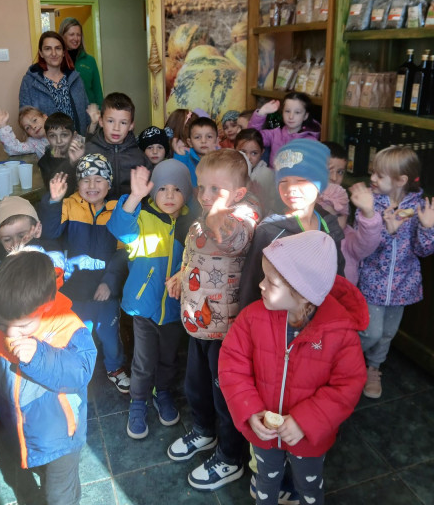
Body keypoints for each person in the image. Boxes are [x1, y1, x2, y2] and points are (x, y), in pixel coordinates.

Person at [218, 232, 369, 505]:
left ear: (303, 293)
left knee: (308, 487)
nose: (261, 285)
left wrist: (305, 421)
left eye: (271, 281)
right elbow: (232, 365)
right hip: (264, 433)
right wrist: (249, 410)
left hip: (308, 438)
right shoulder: (252, 318)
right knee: (265, 481)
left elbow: (348, 385)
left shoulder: (339, 332)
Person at [0, 250, 97, 505]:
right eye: (2, 323)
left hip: (60, 436)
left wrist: (40, 356)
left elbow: (81, 371)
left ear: (46, 305)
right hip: (14, 429)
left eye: (22, 326)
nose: (10, 333)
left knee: (60, 497)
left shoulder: (68, 325)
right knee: (31, 483)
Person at [166, 149, 261, 491]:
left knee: (226, 398)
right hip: (199, 324)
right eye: (201, 187)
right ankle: (204, 431)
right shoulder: (206, 214)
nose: (205, 196)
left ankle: (231, 457)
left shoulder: (242, 217)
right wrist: (181, 274)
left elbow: (235, 240)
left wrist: (220, 217)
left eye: (216, 190)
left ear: (238, 193)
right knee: (197, 386)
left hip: (226, 332)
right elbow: (196, 253)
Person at [107, 160, 193, 439]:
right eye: (163, 188)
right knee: (143, 363)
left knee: (168, 359)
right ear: (153, 191)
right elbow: (120, 229)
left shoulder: (191, 224)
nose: (169, 195)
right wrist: (134, 198)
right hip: (144, 308)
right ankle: (138, 401)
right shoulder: (143, 218)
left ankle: (162, 392)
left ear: (187, 193)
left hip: (175, 308)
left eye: (177, 189)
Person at [37, 153, 130, 394]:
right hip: (74, 289)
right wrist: (54, 200)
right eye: (85, 180)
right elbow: (49, 232)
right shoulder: (69, 205)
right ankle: (76, 370)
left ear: (109, 184)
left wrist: (110, 282)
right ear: (77, 184)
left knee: (109, 334)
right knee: (78, 333)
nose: (92, 185)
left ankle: (115, 368)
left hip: (105, 290)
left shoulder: (117, 211)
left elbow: (123, 253)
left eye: (99, 180)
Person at [357, 146, 434, 399]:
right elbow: (363, 246)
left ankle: (373, 368)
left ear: (401, 180)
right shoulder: (369, 203)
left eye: (379, 175)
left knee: (387, 334)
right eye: (373, 172)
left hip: (403, 285)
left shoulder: (420, 207)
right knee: (371, 332)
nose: (372, 178)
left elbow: (423, 251)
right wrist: (386, 232)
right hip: (372, 281)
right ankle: (347, 360)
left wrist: (427, 228)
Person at [239, 139, 345, 310]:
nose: (291, 189)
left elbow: (338, 278)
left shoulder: (328, 225)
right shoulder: (269, 232)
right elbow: (251, 286)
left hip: (321, 317)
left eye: (301, 180)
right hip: (279, 319)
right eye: (283, 181)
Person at [0, 196, 66, 313]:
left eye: (22, 236)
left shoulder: (51, 257)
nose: (16, 243)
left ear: (37, 230)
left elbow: (56, 288)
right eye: (7, 239)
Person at [19, 31, 90, 135]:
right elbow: (24, 117)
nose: (54, 53)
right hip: (45, 143)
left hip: (76, 141)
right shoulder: (29, 81)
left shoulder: (75, 78)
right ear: (41, 53)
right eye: (48, 49)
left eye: (58, 48)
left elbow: (87, 114)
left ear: (63, 52)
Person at [85, 92, 151, 200]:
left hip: (131, 208)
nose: (116, 128)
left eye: (123, 123)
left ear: (131, 125)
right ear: (101, 122)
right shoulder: (89, 151)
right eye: (110, 121)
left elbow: (148, 191)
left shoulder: (140, 157)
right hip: (96, 208)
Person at [249, 92, 320, 168]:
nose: (291, 116)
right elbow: (251, 136)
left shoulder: (311, 142)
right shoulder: (275, 134)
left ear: (305, 116)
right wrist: (262, 112)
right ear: (282, 112)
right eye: (287, 111)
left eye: (297, 112)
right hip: (272, 175)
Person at [342, 182, 382, 286]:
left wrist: (368, 213)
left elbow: (367, 242)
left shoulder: (348, 238)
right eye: (325, 213)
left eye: (339, 214)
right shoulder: (310, 234)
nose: (331, 219)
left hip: (345, 293)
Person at [59, 17, 103, 108]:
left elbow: (97, 92)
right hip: (64, 112)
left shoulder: (90, 60)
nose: (76, 38)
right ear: (63, 36)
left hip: (88, 112)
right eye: (71, 34)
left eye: (78, 35)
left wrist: (100, 111)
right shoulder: (57, 61)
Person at [38, 112, 85, 197]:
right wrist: (61, 162)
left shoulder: (82, 155)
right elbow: (54, 192)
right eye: (53, 136)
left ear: (73, 136)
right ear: (47, 138)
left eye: (64, 135)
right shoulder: (43, 162)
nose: (59, 141)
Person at [235, 128, 276, 216]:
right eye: (243, 152)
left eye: (254, 153)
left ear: (262, 152)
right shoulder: (230, 172)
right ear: (234, 149)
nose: (248, 157)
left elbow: (273, 202)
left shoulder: (267, 174)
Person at [173, 116, 218, 187]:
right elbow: (178, 179)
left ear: (216, 141)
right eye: (197, 137)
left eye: (209, 137)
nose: (203, 141)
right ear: (190, 142)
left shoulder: (222, 160)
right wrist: (181, 157)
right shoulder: (185, 158)